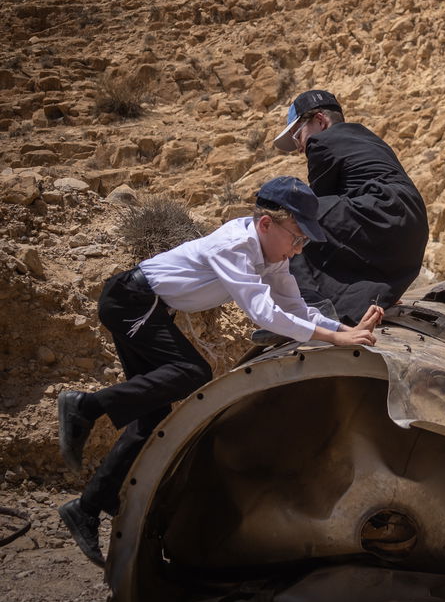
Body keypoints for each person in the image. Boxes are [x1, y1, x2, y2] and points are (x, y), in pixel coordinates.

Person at [56, 176, 384, 566]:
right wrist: (334, 341)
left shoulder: (272, 258)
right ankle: (85, 407)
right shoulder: (236, 246)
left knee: (151, 418)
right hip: (132, 300)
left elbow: (294, 309)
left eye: (305, 242)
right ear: (266, 224)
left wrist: (348, 331)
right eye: (297, 237)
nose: (299, 249)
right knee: (191, 372)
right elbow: (262, 314)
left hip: (148, 308)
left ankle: (87, 509)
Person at [271, 89, 429, 325]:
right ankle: (360, 303)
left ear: (320, 120)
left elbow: (313, 210)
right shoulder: (366, 137)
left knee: (293, 221)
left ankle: (303, 311)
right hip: (411, 224)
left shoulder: (321, 142)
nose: (299, 147)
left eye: (297, 136)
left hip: (379, 208)